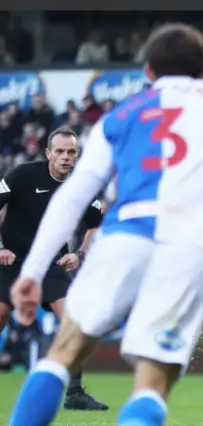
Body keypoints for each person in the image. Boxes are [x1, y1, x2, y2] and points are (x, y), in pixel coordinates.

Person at [8, 23, 203, 426]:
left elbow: (74, 194)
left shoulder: (122, 113)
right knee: (152, 382)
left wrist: (30, 272)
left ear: (148, 73)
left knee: (61, 354)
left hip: (122, 237)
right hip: (189, 245)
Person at [0, 126, 107, 411]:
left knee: (74, 320)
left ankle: (74, 394)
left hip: (51, 263)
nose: (65, 157)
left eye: (71, 152)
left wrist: (80, 254)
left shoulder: (83, 187)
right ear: (48, 153)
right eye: (59, 151)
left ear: (77, 155)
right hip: (11, 261)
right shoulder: (21, 175)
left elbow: (96, 225)